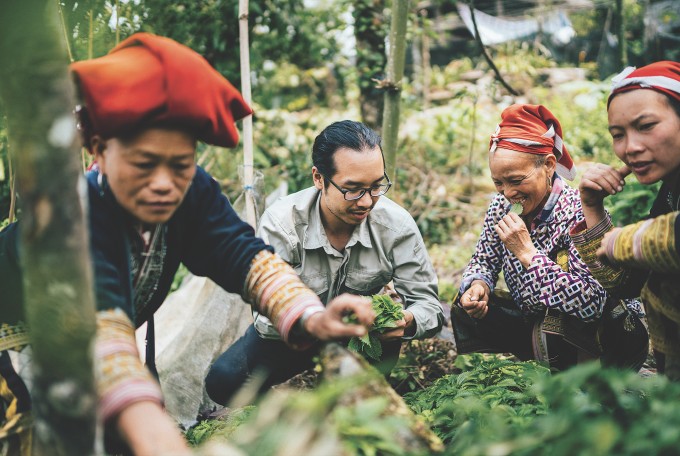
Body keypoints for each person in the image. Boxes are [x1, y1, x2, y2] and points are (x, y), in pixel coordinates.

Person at [0, 33, 375, 455]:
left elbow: (244, 257)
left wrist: (312, 316)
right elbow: (100, 331)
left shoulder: (192, 191)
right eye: (144, 164)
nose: (164, 184)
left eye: (179, 164)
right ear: (99, 150)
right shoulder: (71, 215)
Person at [205, 120, 444, 405]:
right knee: (224, 380)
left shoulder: (396, 226)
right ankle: (279, 416)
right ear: (319, 178)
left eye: (377, 187)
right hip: (292, 336)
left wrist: (406, 321)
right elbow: (268, 320)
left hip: (361, 337)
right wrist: (315, 322)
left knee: (359, 397)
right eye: (353, 189)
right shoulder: (284, 224)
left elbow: (429, 306)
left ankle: (356, 400)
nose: (367, 202)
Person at [452, 104, 648, 371]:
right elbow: (484, 260)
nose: (508, 193)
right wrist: (478, 284)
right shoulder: (501, 206)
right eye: (499, 182)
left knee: (553, 322)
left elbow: (591, 303)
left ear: (548, 165)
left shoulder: (579, 211)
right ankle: (535, 360)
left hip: (608, 333)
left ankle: (579, 386)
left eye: (516, 180)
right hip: (535, 317)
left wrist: (529, 256)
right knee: (464, 305)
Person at [571, 61, 680, 380]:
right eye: (618, 135)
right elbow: (627, 283)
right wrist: (591, 207)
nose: (630, 148)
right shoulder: (669, 195)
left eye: (646, 125)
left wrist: (626, 240)